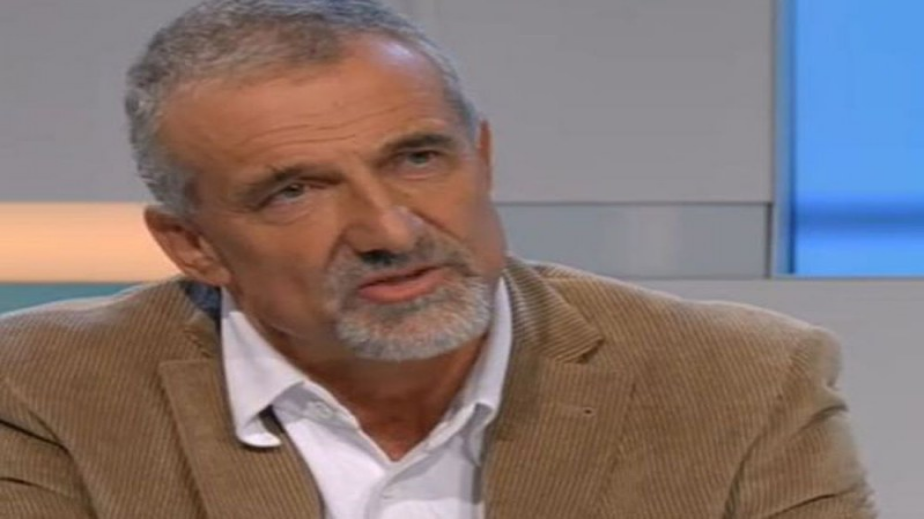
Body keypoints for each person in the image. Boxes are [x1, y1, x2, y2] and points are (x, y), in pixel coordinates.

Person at [0, 0, 875, 517]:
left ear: (481, 158)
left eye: (418, 158)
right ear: (193, 244)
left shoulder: (738, 378)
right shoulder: (43, 388)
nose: (389, 229)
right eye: (295, 190)